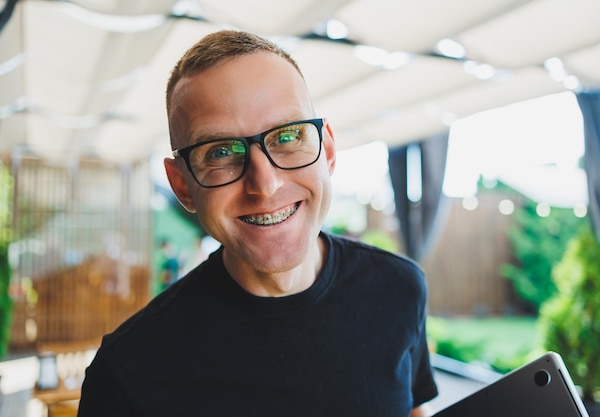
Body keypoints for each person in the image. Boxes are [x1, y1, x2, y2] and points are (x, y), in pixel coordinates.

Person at [77, 30, 438, 417]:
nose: (265, 185)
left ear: (327, 152)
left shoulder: (399, 288)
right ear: (182, 184)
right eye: (219, 152)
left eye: (287, 136)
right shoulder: (128, 371)